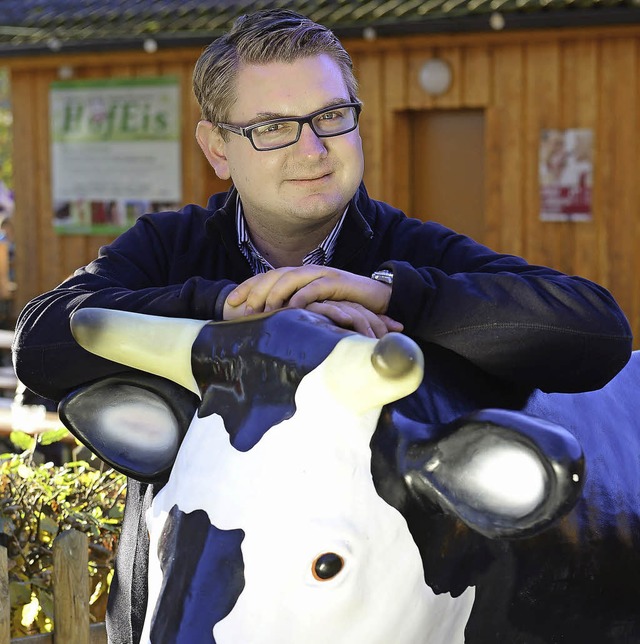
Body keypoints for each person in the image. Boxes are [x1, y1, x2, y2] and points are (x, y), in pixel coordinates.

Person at [12, 9, 632, 643]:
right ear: (217, 148)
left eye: (331, 116)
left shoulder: (408, 253)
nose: (312, 148)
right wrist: (228, 310)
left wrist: (396, 296)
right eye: (273, 127)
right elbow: (41, 341)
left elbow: (597, 330)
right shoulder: (169, 249)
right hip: (187, 608)